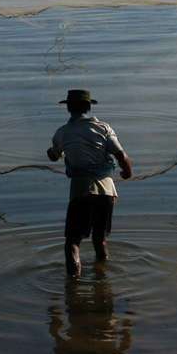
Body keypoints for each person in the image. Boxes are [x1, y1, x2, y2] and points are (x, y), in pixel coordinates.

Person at [47, 89, 133, 276]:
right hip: (106, 193)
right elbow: (122, 156)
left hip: (81, 192)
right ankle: (102, 278)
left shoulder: (62, 133)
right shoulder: (103, 128)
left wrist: (52, 152)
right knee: (100, 239)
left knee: (73, 242)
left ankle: (74, 283)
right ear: (88, 107)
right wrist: (127, 172)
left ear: (68, 108)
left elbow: (54, 155)